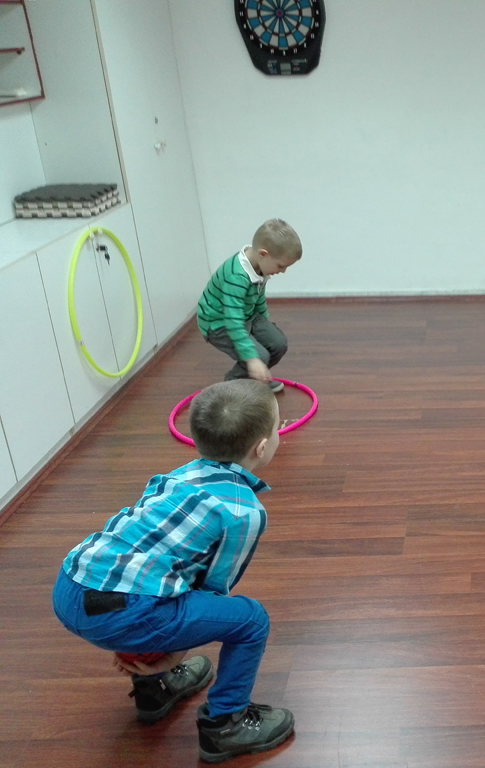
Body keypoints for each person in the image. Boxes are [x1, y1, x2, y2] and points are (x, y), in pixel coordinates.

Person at [52, 379, 294, 763]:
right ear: (262, 447)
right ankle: (225, 725)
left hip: (68, 586)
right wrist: (174, 651)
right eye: (279, 426)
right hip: (128, 611)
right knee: (251, 620)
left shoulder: (175, 476)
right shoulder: (244, 510)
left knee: (152, 578)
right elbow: (213, 588)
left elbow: (141, 555)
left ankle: (154, 686)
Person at [198, 218, 302, 392]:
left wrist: (266, 327)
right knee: (259, 356)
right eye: (280, 266)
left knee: (278, 344)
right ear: (263, 254)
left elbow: (258, 299)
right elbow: (232, 320)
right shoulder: (236, 276)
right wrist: (252, 359)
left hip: (247, 315)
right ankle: (233, 383)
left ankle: (255, 378)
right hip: (218, 323)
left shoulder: (260, 266)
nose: (283, 271)